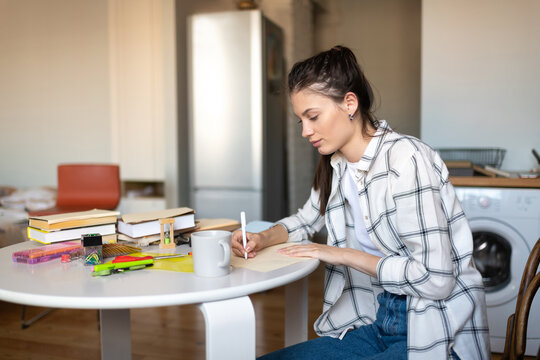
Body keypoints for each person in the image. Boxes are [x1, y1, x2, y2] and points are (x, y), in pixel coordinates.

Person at [231, 45, 490, 359]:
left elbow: (436, 281)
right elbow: (307, 220)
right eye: (301, 121)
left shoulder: (406, 159)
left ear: (349, 103)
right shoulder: (336, 164)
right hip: (381, 321)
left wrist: (341, 254)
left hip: (436, 329)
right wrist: (262, 237)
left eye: (312, 116)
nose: (306, 131)